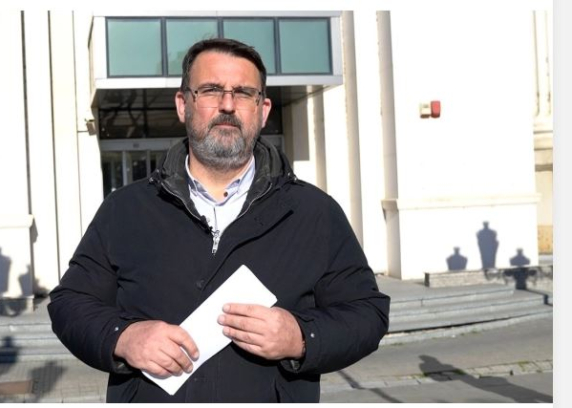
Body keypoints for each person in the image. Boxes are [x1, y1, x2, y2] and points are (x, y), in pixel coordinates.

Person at [48, 38, 390, 403]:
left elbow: (368, 313)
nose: (228, 105)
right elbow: (70, 302)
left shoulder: (314, 212)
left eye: (243, 93)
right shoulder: (125, 210)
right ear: (183, 104)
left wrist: (302, 337)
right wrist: (122, 338)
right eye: (211, 90)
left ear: (262, 109)